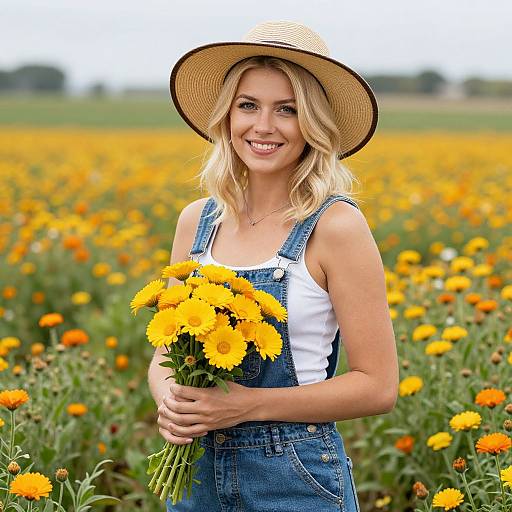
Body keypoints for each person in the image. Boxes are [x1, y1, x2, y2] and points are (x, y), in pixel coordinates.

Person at [147, 20, 399, 512]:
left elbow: (377, 385)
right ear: (226, 116)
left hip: (296, 478)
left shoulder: (336, 227)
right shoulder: (196, 222)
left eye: (287, 110)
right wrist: (171, 401)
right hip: (193, 473)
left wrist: (247, 405)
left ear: (314, 123)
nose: (263, 126)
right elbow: (163, 350)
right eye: (248, 106)